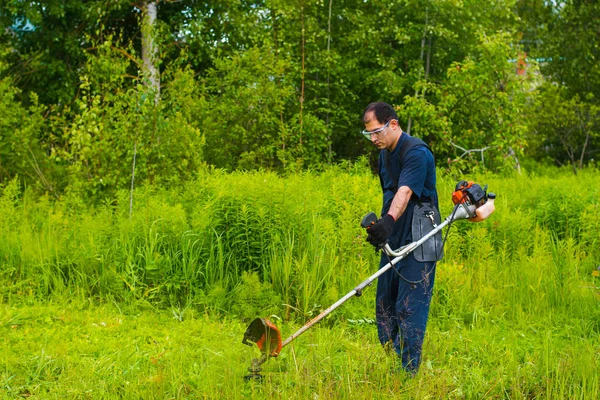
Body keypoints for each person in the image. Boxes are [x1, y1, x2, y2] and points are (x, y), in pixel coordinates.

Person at [362, 101, 439, 374]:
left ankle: (408, 372)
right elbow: (391, 194)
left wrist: (390, 221)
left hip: (420, 234)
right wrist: (381, 227)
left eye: (377, 131)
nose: (373, 138)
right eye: (368, 133)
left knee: (410, 305)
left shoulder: (416, 152)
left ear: (393, 124)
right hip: (394, 233)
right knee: (385, 301)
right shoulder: (385, 153)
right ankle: (392, 360)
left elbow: (405, 192)